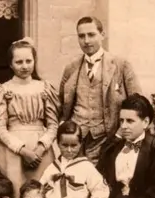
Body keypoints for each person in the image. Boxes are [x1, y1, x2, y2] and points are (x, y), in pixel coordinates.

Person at [0, 37, 59, 198]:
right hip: (12, 152)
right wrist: (23, 151)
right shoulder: (3, 90)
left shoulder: (44, 88)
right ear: (11, 65)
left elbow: (52, 124)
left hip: (40, 151)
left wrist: (41, 148)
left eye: (29, 61)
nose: (24, 66)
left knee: (42, 194)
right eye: (18, 62)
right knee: (16, 195)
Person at [59, 16, 141, 164]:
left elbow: (138, 103)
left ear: (102, 35)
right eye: (81, 36)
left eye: (91, 34)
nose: (86, 40)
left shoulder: (120, 65)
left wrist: (121, 133)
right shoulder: (71, 67)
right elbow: (62, 103)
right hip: (77, 141)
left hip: (108, 140)